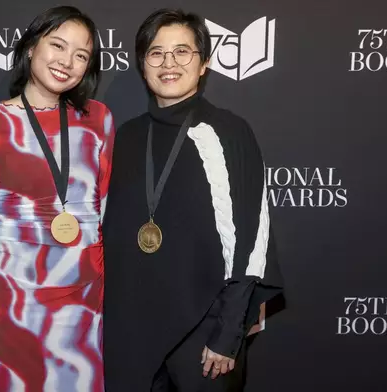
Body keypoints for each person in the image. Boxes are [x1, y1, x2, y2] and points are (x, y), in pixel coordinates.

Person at [102, 8, 284, 392]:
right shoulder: (125, 136)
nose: (169, 63)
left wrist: (228, 333)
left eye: (182, 52)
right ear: (142, 63)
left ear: (203, 63)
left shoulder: (229, 131)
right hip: (130, 335)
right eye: (156, 53)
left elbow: (252, 241)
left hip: (204, 335)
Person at [0, 6, 114, 392]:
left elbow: (102, 204)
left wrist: (71, 261)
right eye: (58, 46)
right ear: (31, 47)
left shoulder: (99, 119)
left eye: (81, 55)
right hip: (8, 293)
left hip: (79, 291)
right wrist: (25, 264)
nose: (68, 62)